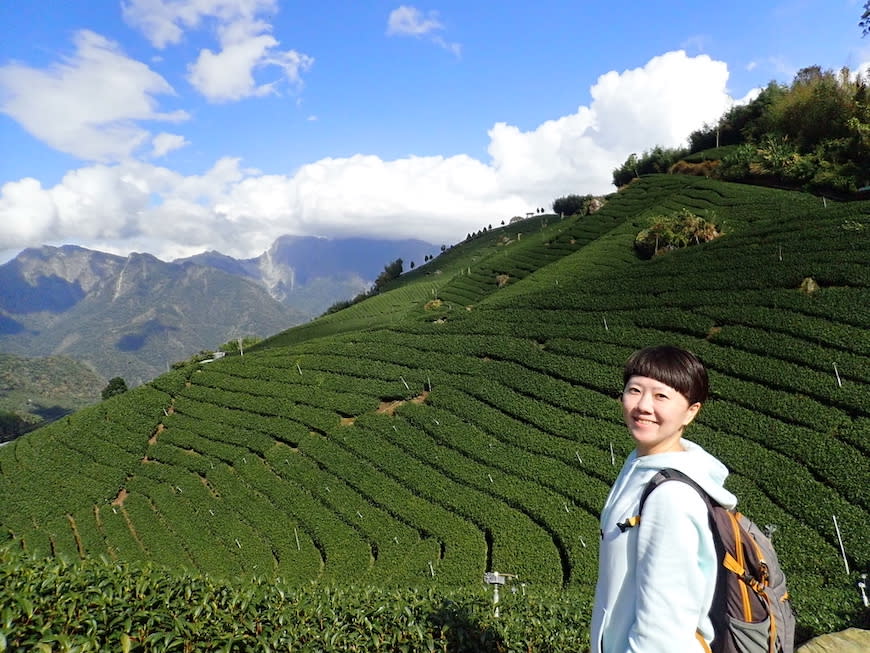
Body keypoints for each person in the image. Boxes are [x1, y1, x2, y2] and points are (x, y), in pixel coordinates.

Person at [590, 344, 736, 653]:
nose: (643, 406)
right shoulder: (639, 466)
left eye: (661, 396)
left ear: (691, 411)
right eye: (634, 390)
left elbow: (663, 630)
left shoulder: (670, 497)